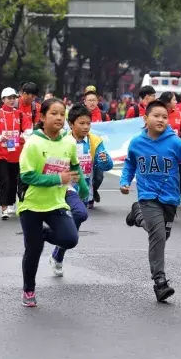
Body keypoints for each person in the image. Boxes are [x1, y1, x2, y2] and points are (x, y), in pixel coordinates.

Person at [120, 100, 181, 302]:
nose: (160, 120)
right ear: (145, 118)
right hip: (147, 196)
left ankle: (137, 215)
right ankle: (160, 282)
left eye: (164, 117)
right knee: (157, 235)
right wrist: (125, 181)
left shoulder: (176, 143)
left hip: (169, 199)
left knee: (161, 236)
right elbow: (129, 164)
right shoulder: (136, 143)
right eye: (156, 116)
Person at [18, 98, 88, 307]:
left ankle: (41, 234)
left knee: (70, 238)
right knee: (34, 250)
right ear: (42, 117)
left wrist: (83, 188)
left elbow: (74, 166)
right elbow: (27, 177)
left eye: (62, 113)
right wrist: (58, 179)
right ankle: (28, 290)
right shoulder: (33, 143)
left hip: (56, 202)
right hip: (31, 204)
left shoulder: (68, 142)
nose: (59, 117)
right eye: (53, 113)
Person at [49, 104, 114, 275]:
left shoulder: (95, 141)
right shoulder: (61, 138)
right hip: (63, 189)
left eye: (88, 124)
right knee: (76, 217)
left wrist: (104, 159)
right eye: (81, 123)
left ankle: (57, 255)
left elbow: (106, 165)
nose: (86, 127)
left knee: (73, 231)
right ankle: (46, 238)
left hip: (84, 190)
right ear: (71, 124)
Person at [0, 87, 30, 219]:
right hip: (1, 154)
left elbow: (28, 131)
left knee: (14, 181)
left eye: (14, 98)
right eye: (9, 98)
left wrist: (23, 136)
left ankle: (11, 204)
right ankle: (4, 207)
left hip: (17, 154)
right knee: (4, 180)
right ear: (3, 99)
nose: (12, 101)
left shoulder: (20, 114)